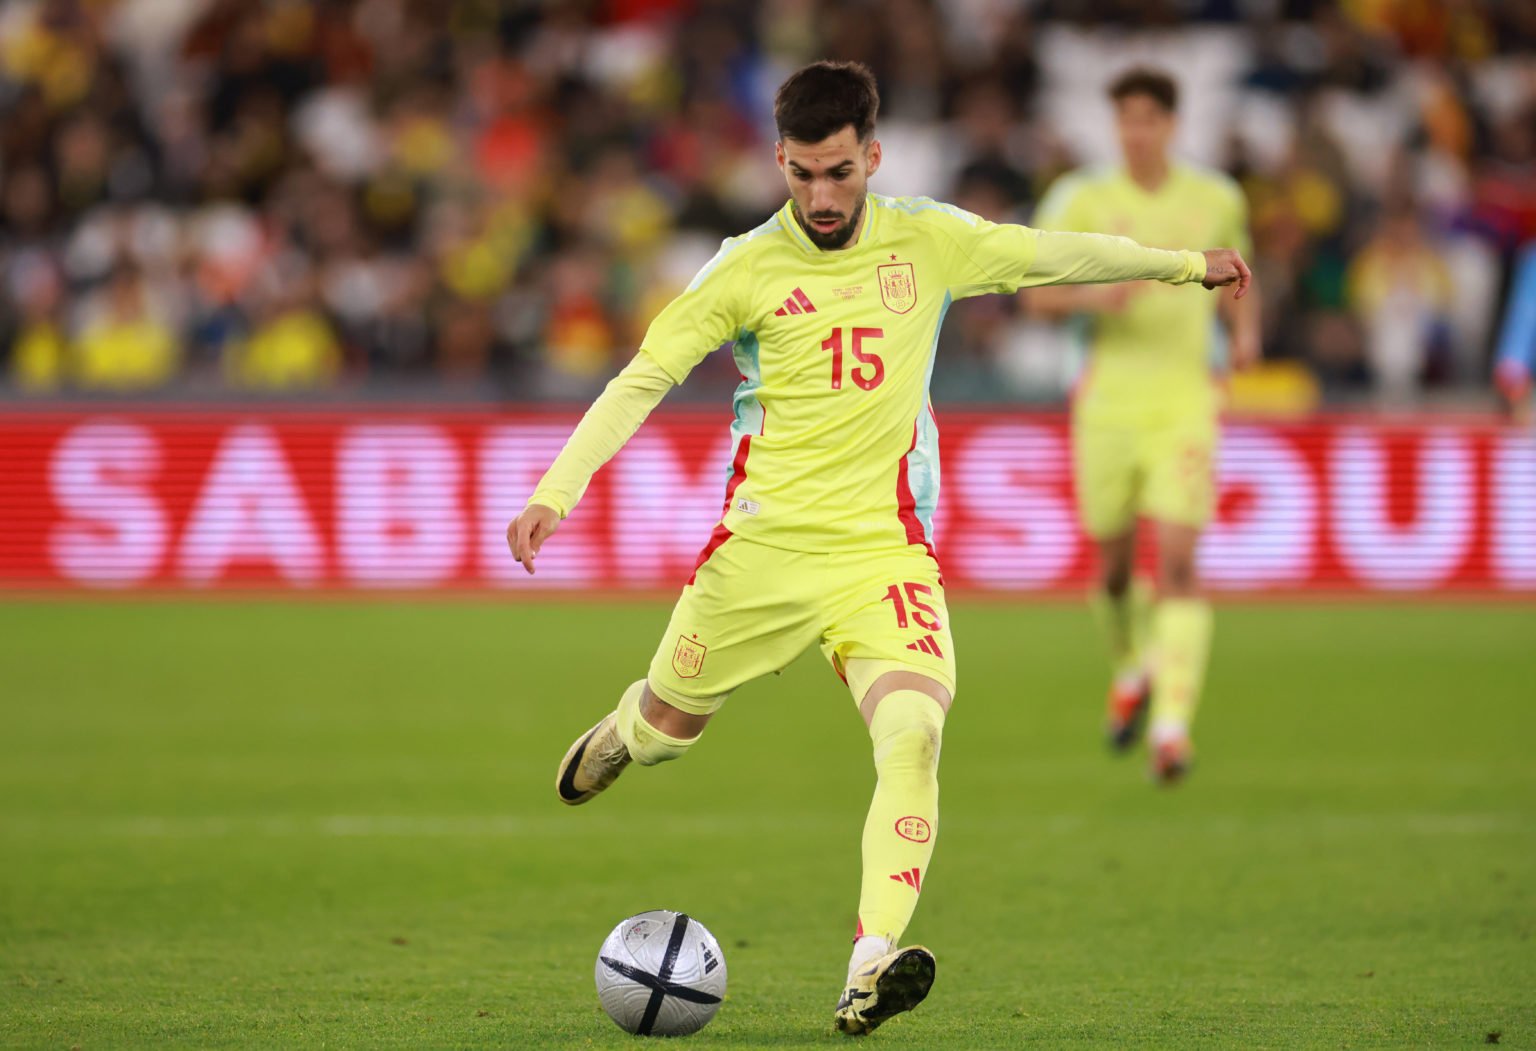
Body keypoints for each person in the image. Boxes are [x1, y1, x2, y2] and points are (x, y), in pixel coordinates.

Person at [507, 61, 1250, 1034]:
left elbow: (1050, 253)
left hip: (884, 553)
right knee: (663, 737)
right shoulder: (743, 266)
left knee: (914, 733)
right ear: (779, 160)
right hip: (761, 554)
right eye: (803, 175)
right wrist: (558, 490)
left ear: (873, 157)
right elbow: (645, 375)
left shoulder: (929, 240)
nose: (822, 196)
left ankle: (871, 959)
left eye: (841, 174)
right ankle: (626, 731)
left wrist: (1182, 265)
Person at [1028, 68, 1262, 785]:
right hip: (1106, 404)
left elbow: (1239, 274)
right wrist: (1097, 300)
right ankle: (1130, 668)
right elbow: (1033, 297)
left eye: (1150, 119)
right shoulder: (1081, 198)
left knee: (1181, 565)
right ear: (1114, 124)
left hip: (1186, 399)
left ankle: (1171, 727)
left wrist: (1245, 329)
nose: (1138, 131)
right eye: (1126, 118)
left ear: (1171, 124)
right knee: (1117, 567)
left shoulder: (1215, 197)